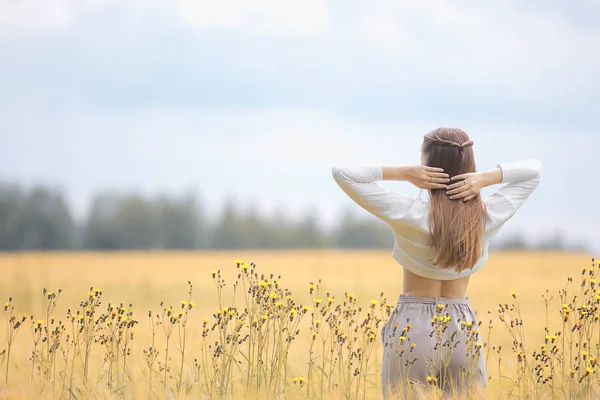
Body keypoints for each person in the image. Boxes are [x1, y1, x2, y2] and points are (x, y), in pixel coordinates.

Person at [331, 127, 542, 398]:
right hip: (462, 328)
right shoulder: (484, 218)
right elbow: (534, 170)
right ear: (469, 166)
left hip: (412, 325)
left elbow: (343, 172)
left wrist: (405, 173)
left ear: (426, 165)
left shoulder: (408, 212)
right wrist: (483, 179)